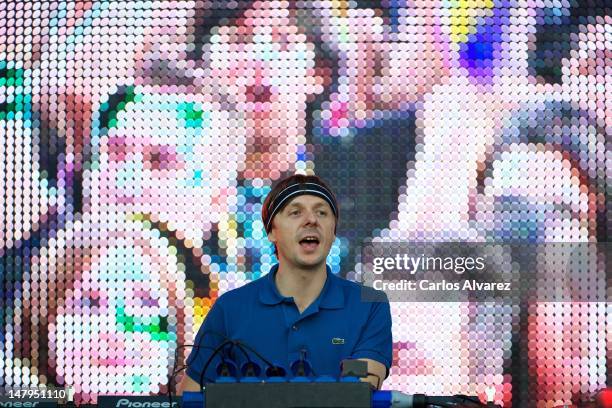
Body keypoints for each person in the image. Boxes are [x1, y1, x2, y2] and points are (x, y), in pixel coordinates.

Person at [179, 173, 393, 392]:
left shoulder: (369, 305)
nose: (312, 220)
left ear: (333, 230)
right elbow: (189, 395)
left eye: (322, 212)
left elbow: (360, 390)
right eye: (295, 212)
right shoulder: (231, 308)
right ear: (272, 231)